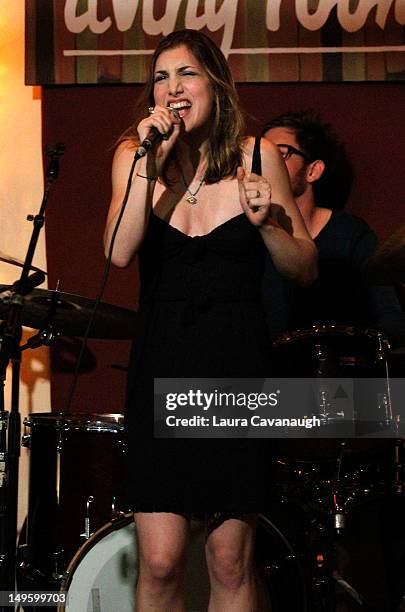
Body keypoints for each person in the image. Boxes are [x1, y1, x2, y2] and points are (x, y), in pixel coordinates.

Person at [104, 30, 316, 612]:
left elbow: (305, 267)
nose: (173, 88)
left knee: (228, 561)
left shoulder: (257, 156)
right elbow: (119, 253)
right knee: (161, 561)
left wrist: (269, 221)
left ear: (216, 85)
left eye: (187, 74)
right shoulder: (134, 156)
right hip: (162, 364)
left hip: (235, 367)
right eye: (161, 77)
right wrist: (151, 160)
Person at [261, 110, 405, 349]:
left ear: (313, 170)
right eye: (262, 155)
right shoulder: (247, 236)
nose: (268, 163)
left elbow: (391, 317)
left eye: (281, 154)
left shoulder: (350, 234)